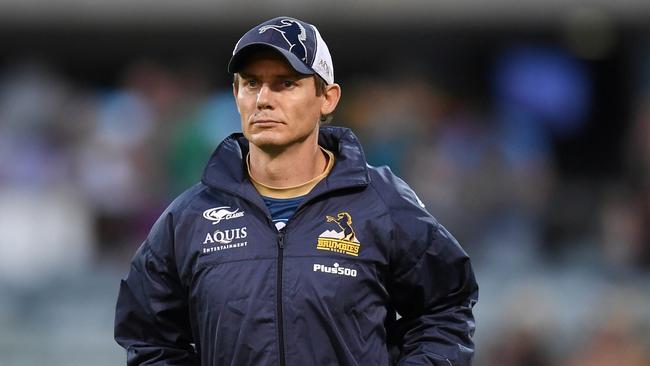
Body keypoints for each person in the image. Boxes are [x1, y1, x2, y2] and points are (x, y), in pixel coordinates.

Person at [114, 16, 478, 366]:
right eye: (251, 83)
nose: (264, 99)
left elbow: (445, 308)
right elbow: (148, 335)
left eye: (286, 83)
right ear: (236, 93)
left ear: (328, 98)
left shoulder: (381, 203)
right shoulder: (190, 216)